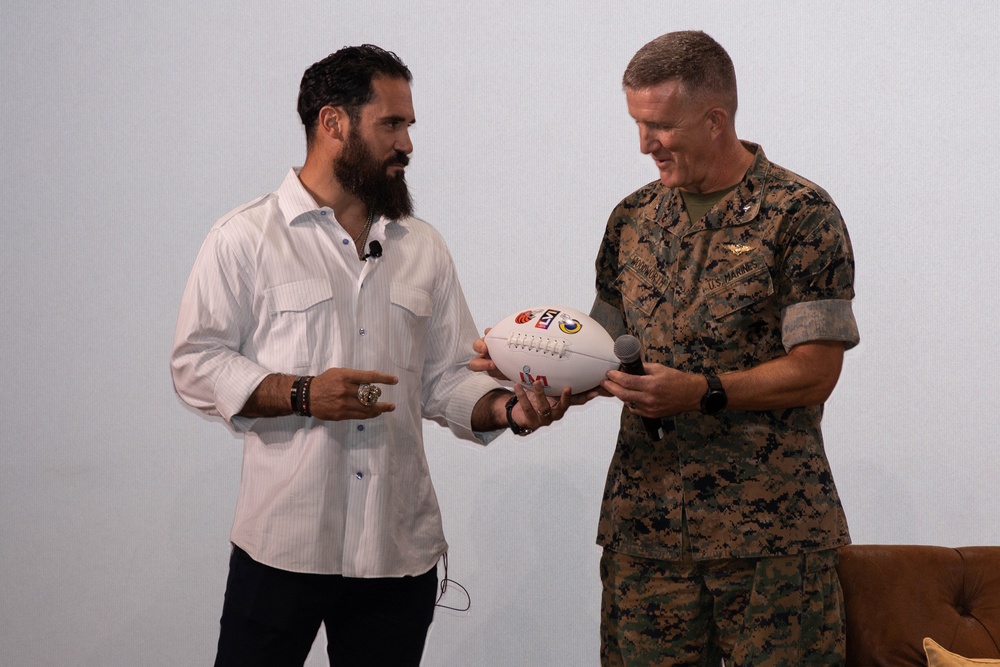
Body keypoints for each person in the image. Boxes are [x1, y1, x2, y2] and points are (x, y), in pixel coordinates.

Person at [170, 44, 571, 667]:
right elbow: (196, 364)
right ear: (333, 123)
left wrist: (511, 411)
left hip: (395, 550)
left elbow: (444, 380)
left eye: (409, 125)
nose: (407, 143)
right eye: (392, 123)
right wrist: (302, 393)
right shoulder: (244, 238)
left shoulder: (423, 246)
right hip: (282, 548)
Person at [592, 31, 860, 666]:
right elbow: (600, 348)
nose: (644, 145)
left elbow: (816, 371)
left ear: (715, 120)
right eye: (636, 124)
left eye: (659, 126)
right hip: (646, 536)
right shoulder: (630, 220)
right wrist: (531, 365)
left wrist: (702, 392)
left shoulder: (801, 214)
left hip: (772, 541)